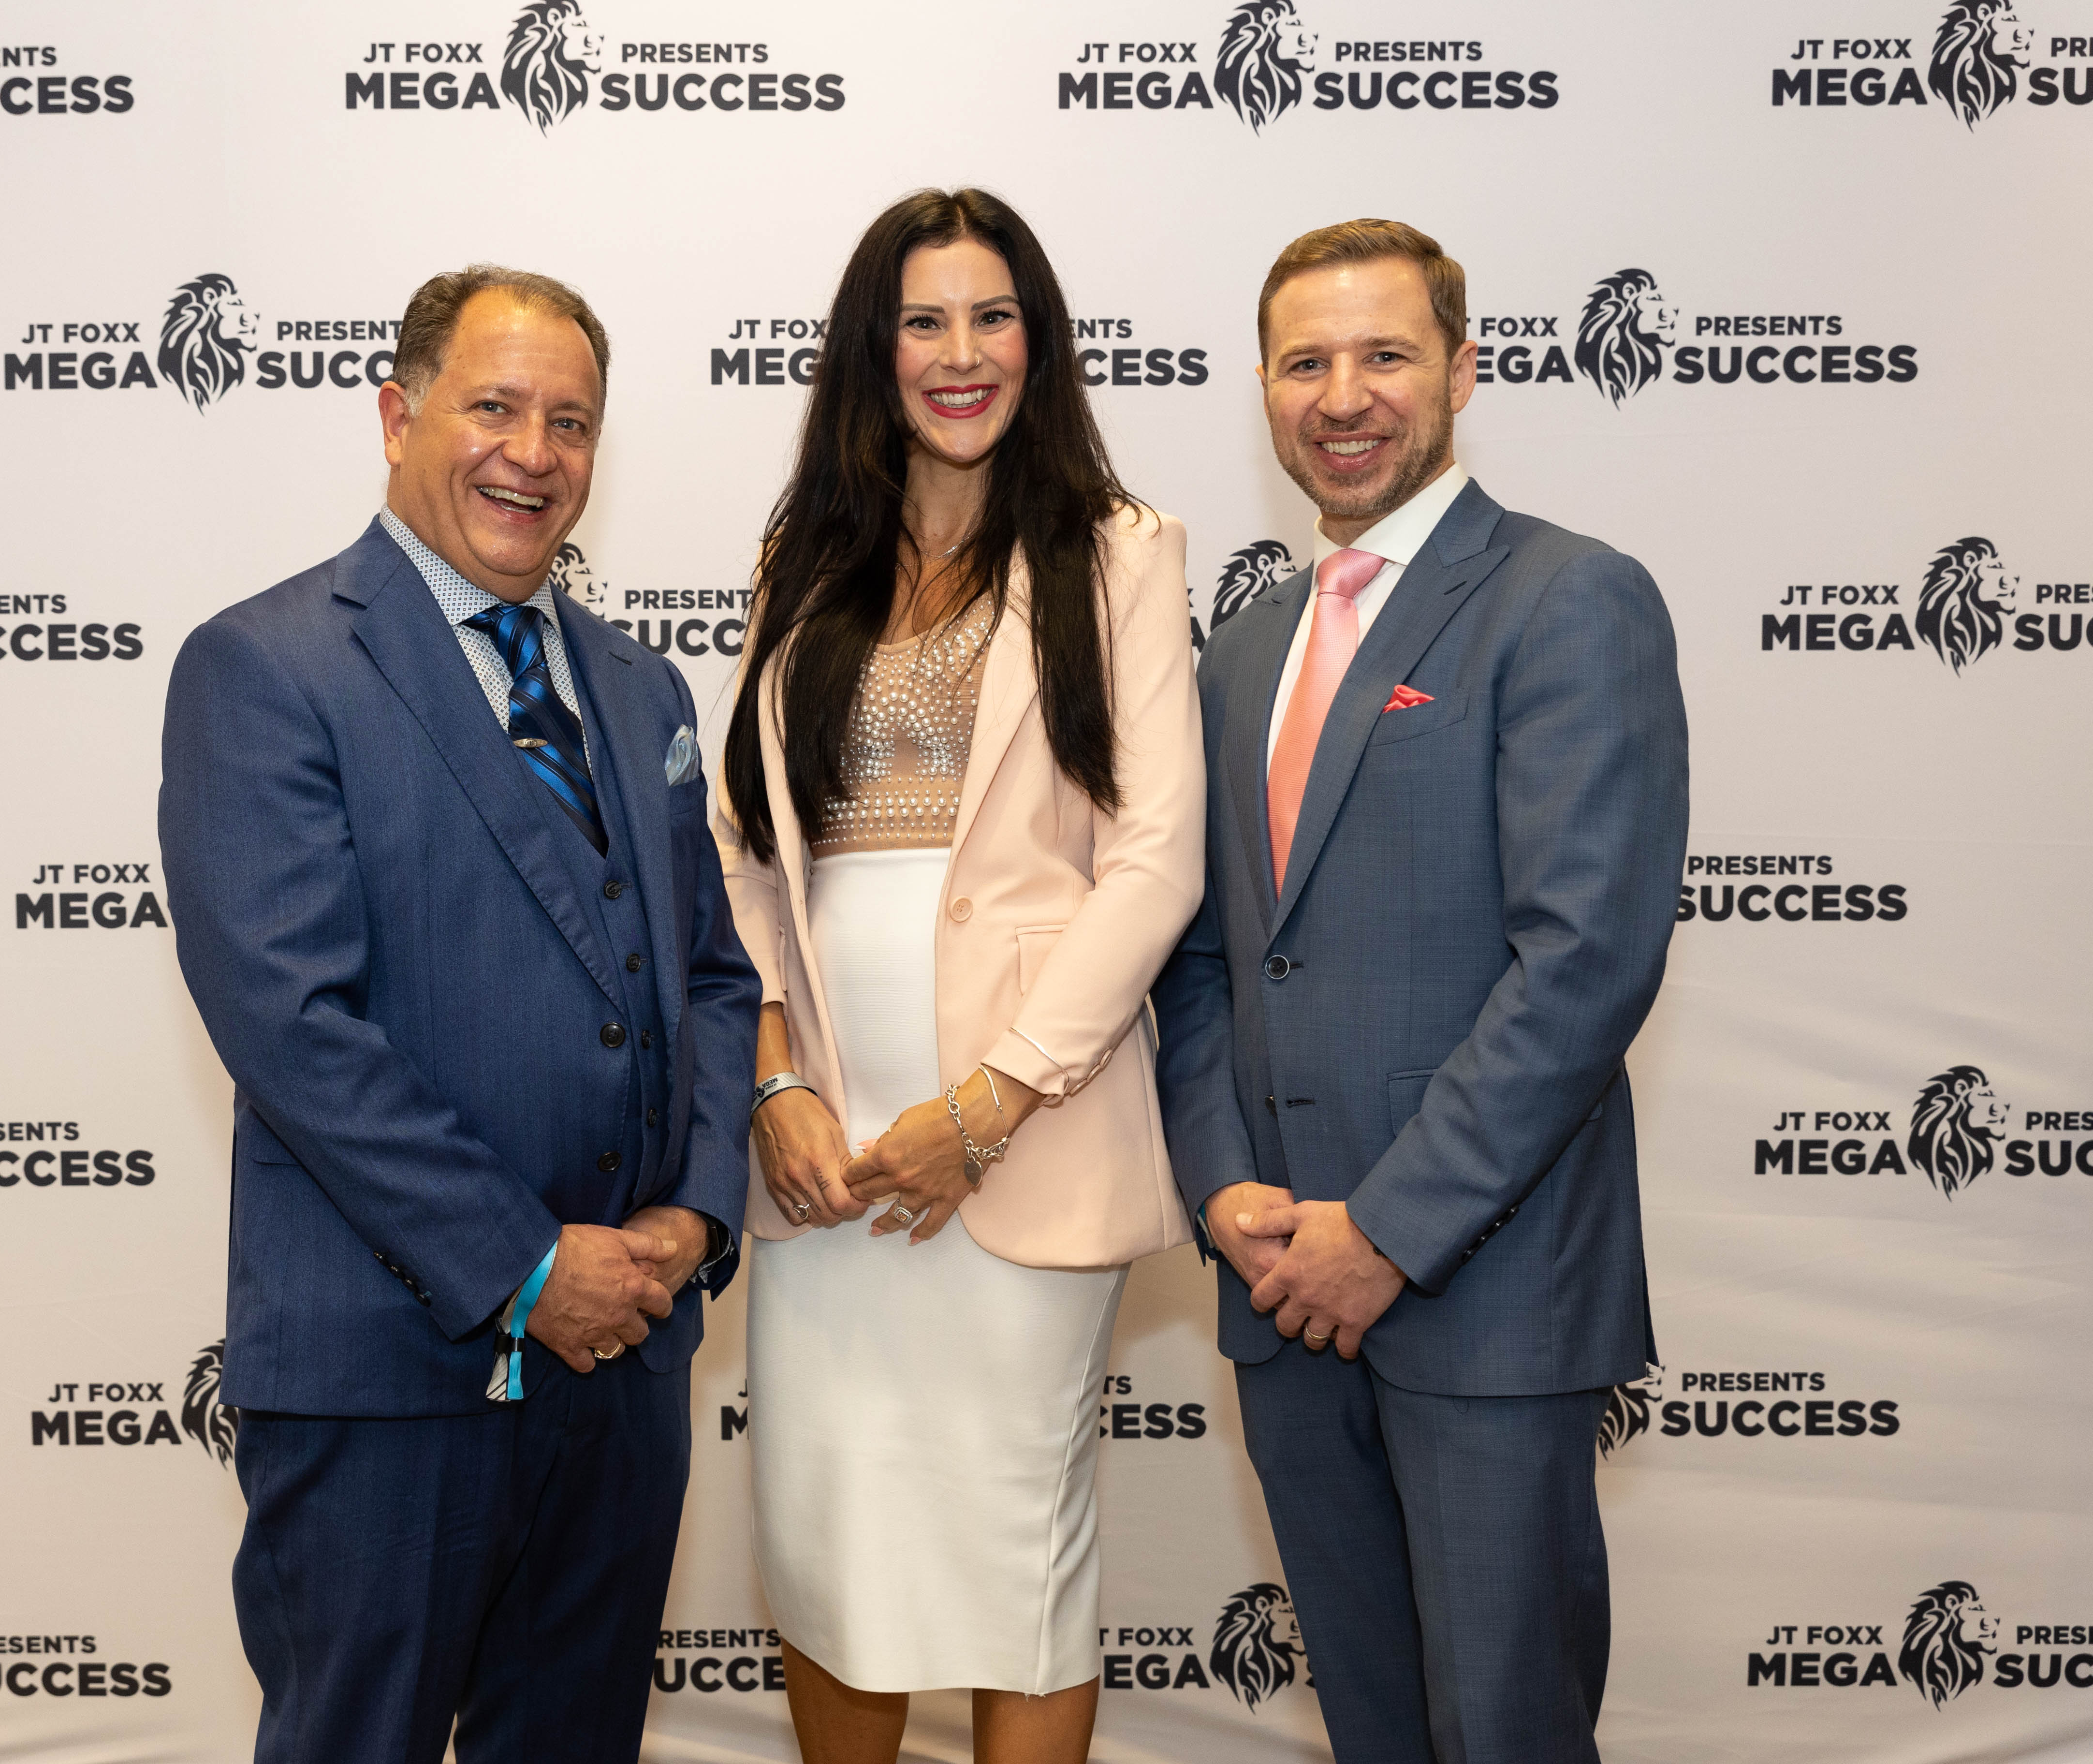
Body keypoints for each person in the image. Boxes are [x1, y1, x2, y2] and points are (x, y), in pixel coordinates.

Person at [159, 265, 759, 1764]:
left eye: (572, 422)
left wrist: (693, 1217)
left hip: (623, 1368)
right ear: (396, 416)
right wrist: (526, 1266)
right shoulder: (266, 667)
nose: (533, 454)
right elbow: (296, 1026)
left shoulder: (642, 689)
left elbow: (709, 977)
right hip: (391, 1372)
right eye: (495, 407)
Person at [1153, 218, 1690, 1763]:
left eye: (1385, 355)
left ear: (1461, 371)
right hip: (1280, 1293)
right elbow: (1203, 959)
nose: (1343, 397)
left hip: (1480, 1296)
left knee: (1506, 1732)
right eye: (1305, 362)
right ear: (1265, 389)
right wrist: (1226, 1189)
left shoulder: (1570, 597)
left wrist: (1384, 1233)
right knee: (1375, 1730)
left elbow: (1584, 964)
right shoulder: (1241, 650)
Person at [717, 188, 1205, 1764]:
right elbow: (743, 852)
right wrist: (775, 1080)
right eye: (923, 320)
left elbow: (1155, 863)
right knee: (827, 1548)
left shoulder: (1121, 553)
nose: (960, 352)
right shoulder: (803, 559)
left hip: (1027, 1141)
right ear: (876, 351)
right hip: (826, 1161)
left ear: (1038, 342)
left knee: (1020, 1568)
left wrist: (988, 1106)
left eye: (994, 316)